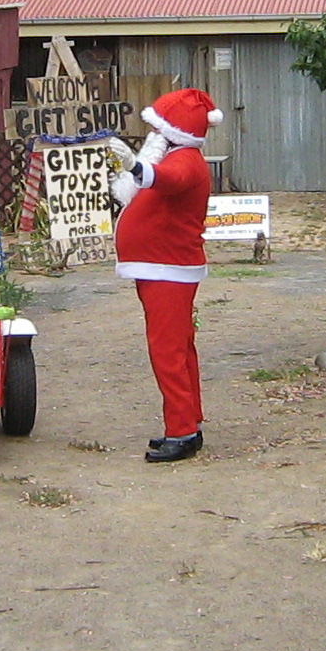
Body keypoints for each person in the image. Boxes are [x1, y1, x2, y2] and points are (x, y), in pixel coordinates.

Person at [110, 88, 221, 462]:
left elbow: (167, 180)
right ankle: (188, 422)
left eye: (159, 127)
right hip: (163, 266)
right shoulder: (180, 156)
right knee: (179, 347)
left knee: (168, 350)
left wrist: (135, 167)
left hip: (168, 268)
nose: (153, 134)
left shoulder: (185, 161)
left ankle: (182, 430)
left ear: (174, 131)